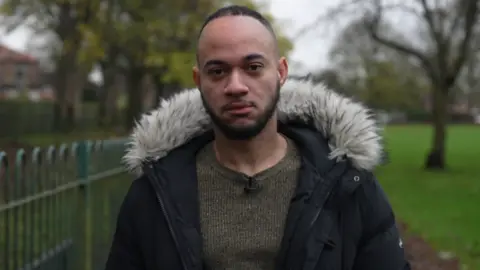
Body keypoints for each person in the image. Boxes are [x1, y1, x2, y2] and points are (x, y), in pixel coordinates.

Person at [105, 5, 411, 270]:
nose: (236, 86)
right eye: (218, 71)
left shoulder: (348, 186)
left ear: (280, 72)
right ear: (198, 81)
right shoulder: (153, 194)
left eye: (253, 67)